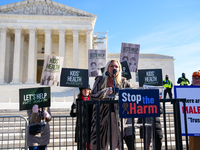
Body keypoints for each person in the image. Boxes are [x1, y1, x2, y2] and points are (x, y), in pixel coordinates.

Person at [90, 60, 135, 150]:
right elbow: (93, 95)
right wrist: (105, 92)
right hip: (101, 116)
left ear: (119, 69)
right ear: (107, 68)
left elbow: (134, 92)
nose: (114, 68)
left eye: (116, 67)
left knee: (115, 145)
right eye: (111, 66)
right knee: (101, 144)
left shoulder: (123, 82)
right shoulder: (100, 80)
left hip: (117, 116)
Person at [70, 85, 92, 150]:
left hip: (90, 128)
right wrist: (74, 108)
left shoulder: (92, 100)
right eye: (84, 90)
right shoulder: (77, 101)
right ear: (81, 91)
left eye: (87, 90)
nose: (86, 91)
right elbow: (73, 114)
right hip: (81, 129)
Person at [189, 71, 200, 150]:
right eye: (195, 78)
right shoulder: (187, 91)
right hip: (193, 126)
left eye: (199, 78)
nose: (197, 80)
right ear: (192, 79)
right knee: (194, 146)